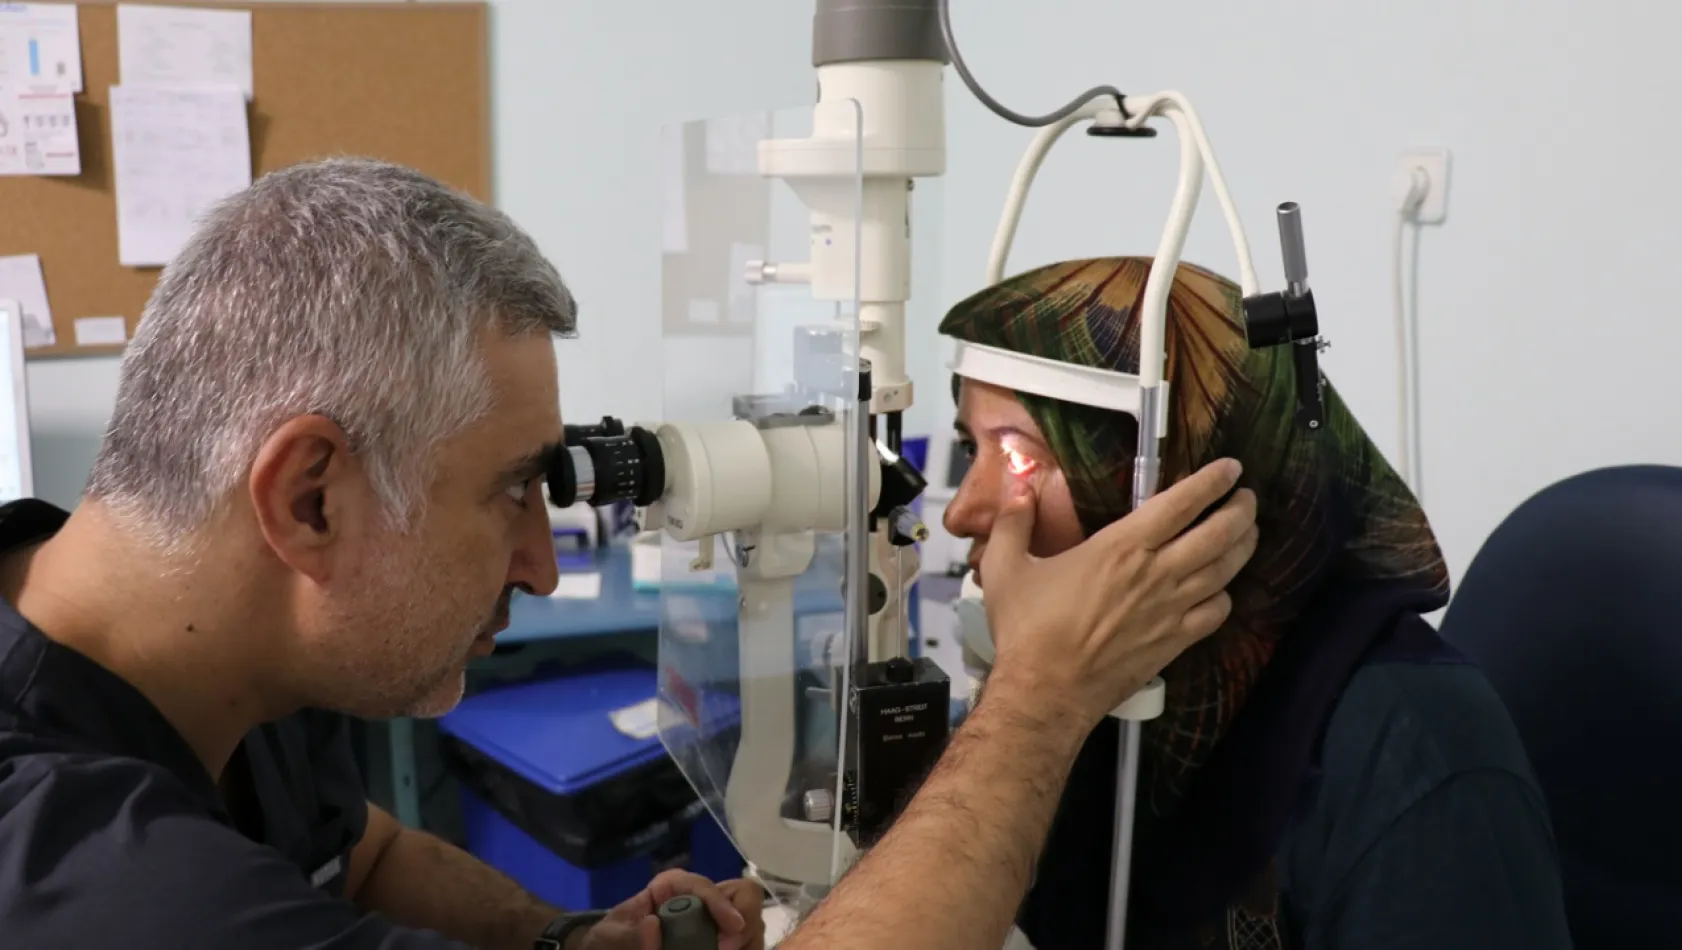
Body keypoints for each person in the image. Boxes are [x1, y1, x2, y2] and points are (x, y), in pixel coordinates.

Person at [0, 159, 763, 950]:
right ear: (311, 501)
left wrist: (567, 940)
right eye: (512, 492)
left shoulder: (233, 648)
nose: (542, 566)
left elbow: (365, 856)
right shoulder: (88, 875)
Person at [917, 257, 1575, 949]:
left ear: (1177, 474)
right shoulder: (1111, 689)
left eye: (1021, 458)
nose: (963, 512)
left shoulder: (1414, 758)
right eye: (970, 449)